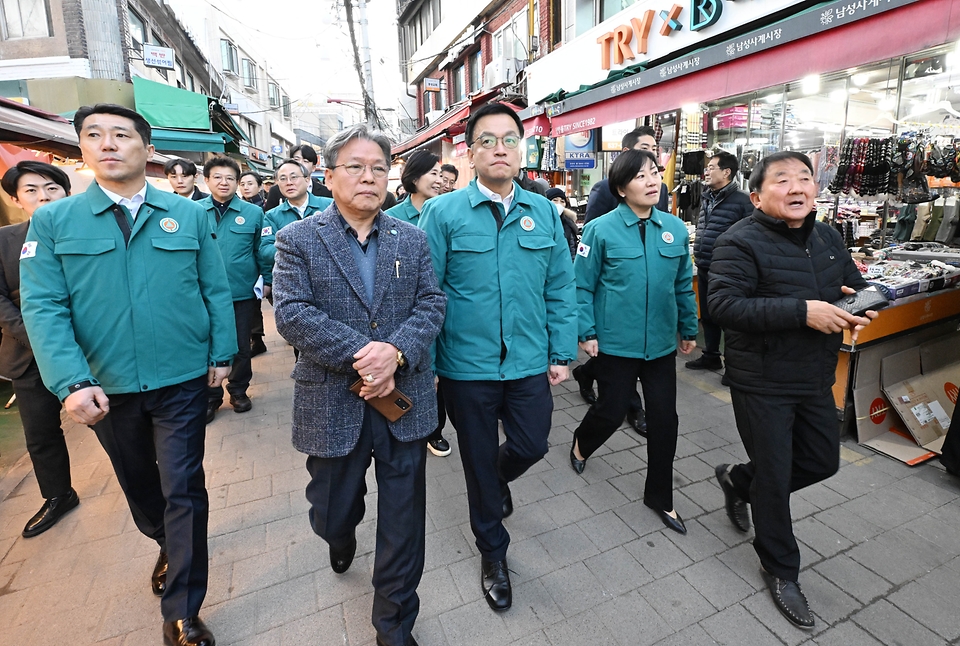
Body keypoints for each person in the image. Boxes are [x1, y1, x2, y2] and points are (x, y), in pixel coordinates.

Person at [20, 103, 236, 646]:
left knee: (184, 485)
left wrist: (223, 354)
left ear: (147, 148)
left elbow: (213, 288)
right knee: (140, 484)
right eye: (94, 135)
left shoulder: (186, 216)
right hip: (105, 388)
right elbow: (43, 307)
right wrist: (71, 381)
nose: (108, 144)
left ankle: (183, 611)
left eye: (121, 134)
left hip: (182, 378)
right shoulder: (52, 222)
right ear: (83, 149)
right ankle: (165, 538)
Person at [273, 124, 446, 646]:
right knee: (332, 510)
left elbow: (432, 303)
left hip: (403, 403)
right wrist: (365, 357)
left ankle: (394, 625)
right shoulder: (297, 238)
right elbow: (292, 314)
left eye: (378, 167)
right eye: (355, 167)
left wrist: (395, 352)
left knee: (403, 521)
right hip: (332, 401)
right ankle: (340, 534)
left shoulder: (411, 239)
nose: (368, 177)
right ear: (329, 176)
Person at [419, 102, 577, 612]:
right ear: (470, 151)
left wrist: (561, 351)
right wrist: (433, 365)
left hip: (529, 360)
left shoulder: (544, 212)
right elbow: (429, 294)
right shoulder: (441, 214)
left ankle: (495, 484)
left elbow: (560, 286)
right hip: (466, 367)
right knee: (477, 461)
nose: (500, 148)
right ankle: (494, 551)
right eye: (487, 140)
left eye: (509, 138)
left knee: (530, 445)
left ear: (521, 147)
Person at [708, 151, 876, 630]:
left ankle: (740, 481)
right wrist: (803, 311)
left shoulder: (826, 236)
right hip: (760, 381)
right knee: (777, 477)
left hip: (813, 374)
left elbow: (849, 282)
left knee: (823, 459)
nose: (798, 187)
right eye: (782, 180)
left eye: (805, 177)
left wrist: (861, 302)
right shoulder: (737, 241)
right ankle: (781, 569)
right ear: (758, 196)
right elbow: (723, 305)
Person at [568, 149, 697, 535]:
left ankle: (661, 497)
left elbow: (682, 286)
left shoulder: (674, 229)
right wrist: (587, 333)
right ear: (622, 188)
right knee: (610, 411)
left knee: (665, 421)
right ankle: (581, 444)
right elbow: (582, 285)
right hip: (616, 343)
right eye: (641, 176)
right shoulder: (600, 229)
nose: (653, 181)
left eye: (655, 173)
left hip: (659, 344)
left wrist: (688, 328)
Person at [0, 161, 77, 538]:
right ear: (15, 198)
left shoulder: (84, 234)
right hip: (26, 353)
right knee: (40, 432)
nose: (43, 195)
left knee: (119, 428)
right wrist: (42, 336)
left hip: (87, 351)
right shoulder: (5, 240)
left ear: (66, 192)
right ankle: (58, 495)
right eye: (31, 189)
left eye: (51, 187)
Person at [574, 126, 666, 433]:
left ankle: (587, 375)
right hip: (612, 292)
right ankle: (632, 407)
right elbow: (591, 237)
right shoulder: (605, 190)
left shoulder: (659, 191)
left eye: (654, 149)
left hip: (645, 307)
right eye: (644, 147)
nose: (650, 154)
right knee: (618, 370)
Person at [386, 150, 451, 458]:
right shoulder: (393, 218)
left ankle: (439, 422)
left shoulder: (450, 213)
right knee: (422, 370)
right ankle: (430, 429)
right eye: (432, 173)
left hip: (446, 305)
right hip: (410, 310)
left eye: (442, 174)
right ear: (413, 178)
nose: (439, 179)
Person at [199, 157, 270, 424]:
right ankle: (210, 397)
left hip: (240, 293)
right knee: (208, 346)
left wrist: (267, 279)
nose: (224, 182)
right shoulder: (193, 211)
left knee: (241, 346)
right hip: (203, 295)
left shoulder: (253, 213)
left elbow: (260, 250)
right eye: (217, 177)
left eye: (230, 178)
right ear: (206, 181)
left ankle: (238, 391)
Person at [685, 151, 752, 371]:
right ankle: (711, 356)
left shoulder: (742, 200)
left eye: (712, 167)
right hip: (705, 264)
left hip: (728, 270)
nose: (707, 171)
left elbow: (750, 235)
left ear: (727, 172)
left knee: (730, 318)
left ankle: (734, 367)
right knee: (708, 314)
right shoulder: (706, 196)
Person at [260, 159, 333, 302]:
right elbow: (266, 250)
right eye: (283, 179)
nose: (289, 182)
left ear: (307, 180)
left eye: (294, 177)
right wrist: (303, 252)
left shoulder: (330, 206)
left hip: (328, 283)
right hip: (291, 286)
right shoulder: (272, 216)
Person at [262, 143, 332, 211]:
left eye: (305, 161)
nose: (300, 163)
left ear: (313, 168)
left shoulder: (326, 192)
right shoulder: (276, 191)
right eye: (296, 159)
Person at [545, 187, 579, 260]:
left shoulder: (568, 223)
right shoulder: (541, 221)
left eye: (562, 201)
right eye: (555, 200)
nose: (559, 204)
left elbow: (572, 248)